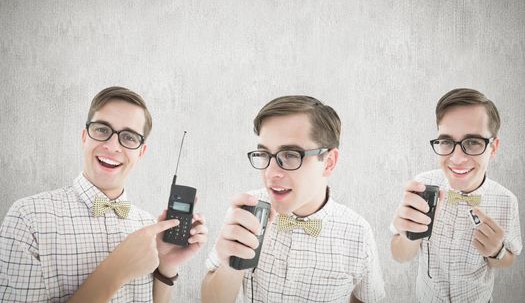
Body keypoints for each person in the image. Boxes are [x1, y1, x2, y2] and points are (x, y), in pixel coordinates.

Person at [0, 86, 208, 302]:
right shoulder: (27, 218)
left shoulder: (148, 226)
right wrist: (116, 269)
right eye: (102, 130)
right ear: (84, 137)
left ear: (141, 153)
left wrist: (166, 266)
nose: (112, 145)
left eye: (129, 137)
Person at [201, 95, 385, 303]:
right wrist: (230, 265)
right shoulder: (247, 212)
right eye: (264, 154)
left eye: (290, 155)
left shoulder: (358, 233)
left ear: (328, 162)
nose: (270, 173)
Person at [390, 88, 522, 302]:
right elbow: (399, 255)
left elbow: (509, 259)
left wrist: (497, 251)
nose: (457, 158)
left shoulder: (506, 201)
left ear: (494, 147)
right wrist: (408, 233)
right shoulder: (423, 186)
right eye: (447, 142)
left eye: (473, 142)